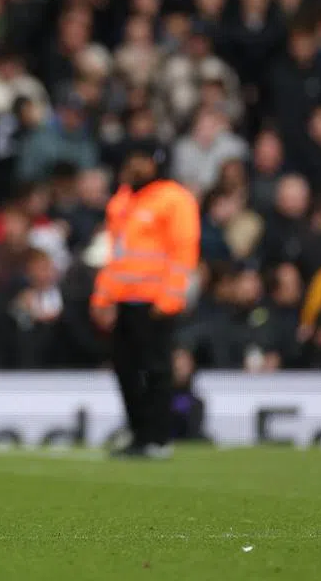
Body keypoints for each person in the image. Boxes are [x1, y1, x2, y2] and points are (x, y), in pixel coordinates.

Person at [90, 140, 200, 459]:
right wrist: (102, 298)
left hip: (154, 303)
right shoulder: (123, 200)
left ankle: (158, 437)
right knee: (125, 370)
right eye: (131, 159)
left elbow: (183, 252)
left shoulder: (173, 199)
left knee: (156, 371)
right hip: (124, 301)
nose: (134, 166)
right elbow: (116, 256)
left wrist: (169, 299)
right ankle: (138, 433)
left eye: (141, 159)